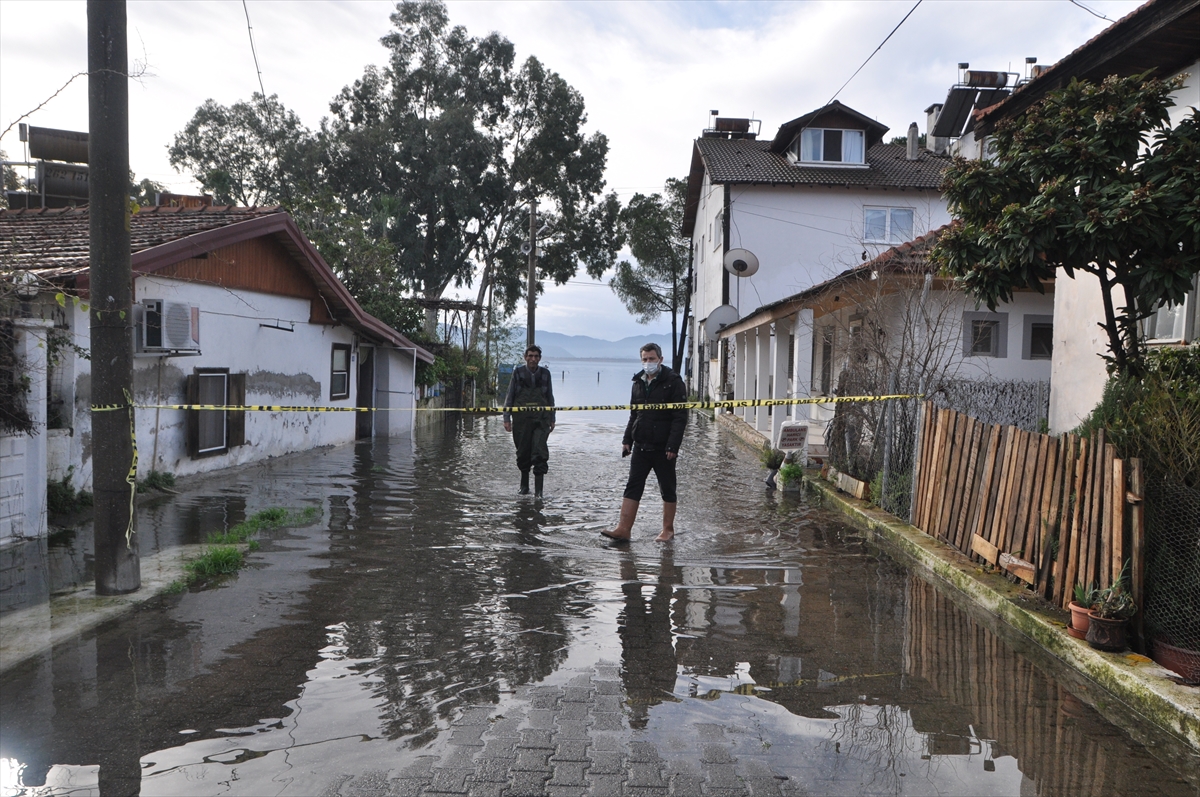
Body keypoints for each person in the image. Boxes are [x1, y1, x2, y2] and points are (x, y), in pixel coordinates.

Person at [602, 343, 688, 542]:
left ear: (660, 359)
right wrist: (627, 439)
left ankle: (668, 530)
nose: (648, 363)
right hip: (641, 444)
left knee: (667, 487)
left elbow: (680, 417)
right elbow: (634, 414)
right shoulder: (638, 382)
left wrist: (673, 445)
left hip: (664, 446)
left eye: (651, 359)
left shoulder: (673, 382)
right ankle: (623, 528)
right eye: (645, 359)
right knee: (633, 485)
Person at [502, 345, 556, 497]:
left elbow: (550, 397)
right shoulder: (518, 373)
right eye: (531, 356)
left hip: (541, 420)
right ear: (525, 357)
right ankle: (524, 487)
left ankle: (539, 492)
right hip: (521, 420)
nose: (533, 359)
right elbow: (510, 395)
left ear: (540, 358)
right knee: (523, 452)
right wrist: (506, 418)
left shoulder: (546, 374)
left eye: (536, 356)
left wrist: (552, 417)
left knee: (539, 452)